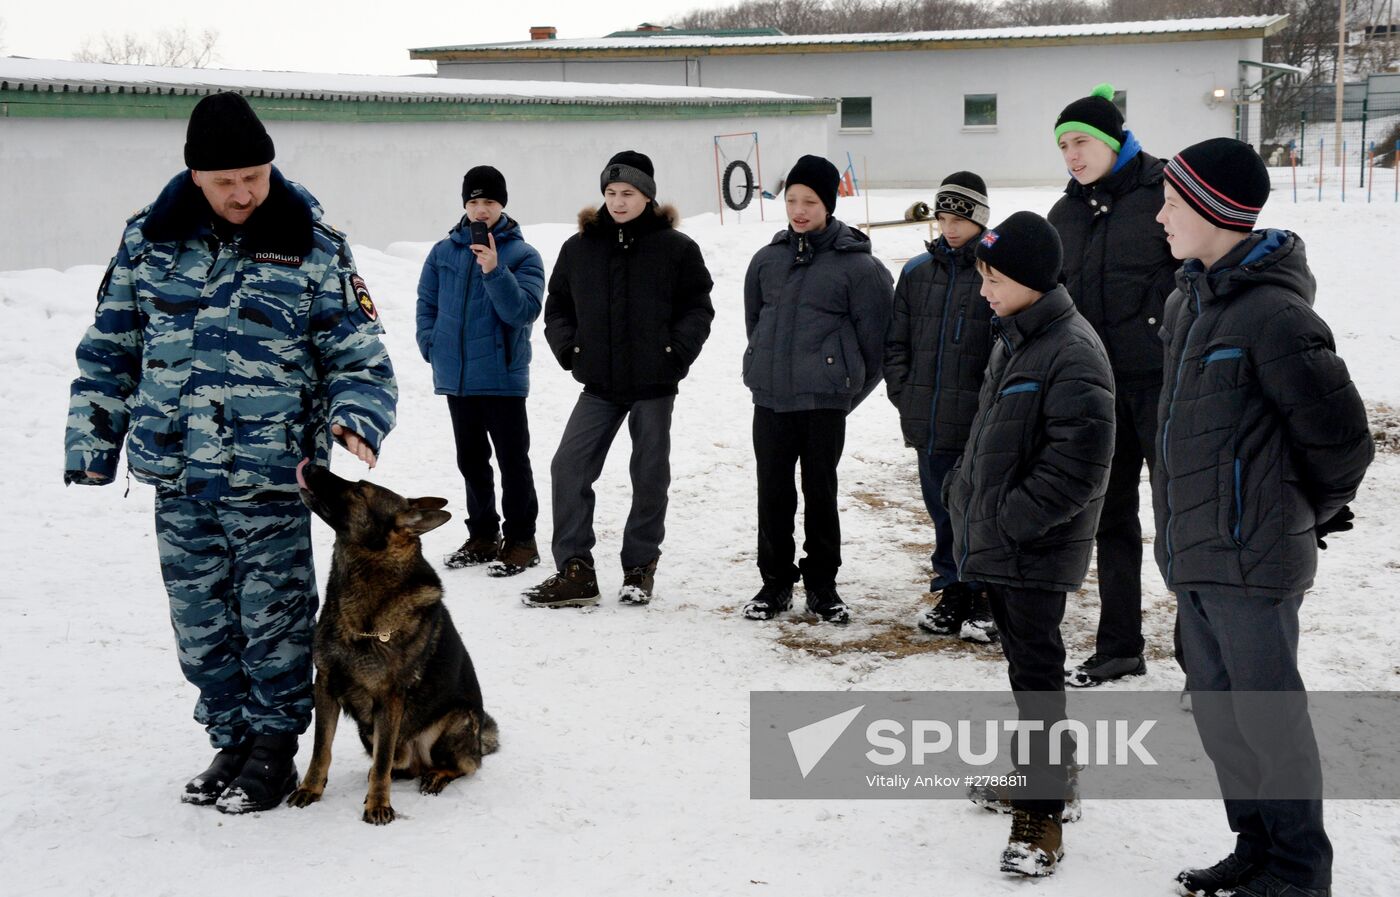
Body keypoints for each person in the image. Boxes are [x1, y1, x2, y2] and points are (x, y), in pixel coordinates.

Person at [63, 92, 397, 814]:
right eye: (226, 182)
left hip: (272, 474)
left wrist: (356, 418)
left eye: (256, 174)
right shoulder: (148, 242)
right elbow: (111, 349)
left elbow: (359, 355)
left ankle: (274, 748)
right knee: (200, 622)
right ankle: (231, 737)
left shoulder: (312, 242)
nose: (245, 192)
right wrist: (94, 440)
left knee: (273, 619)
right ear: (194, 178)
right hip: (179, 472)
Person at [1154, 138, 1372, 897]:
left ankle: (1300, 870)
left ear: (1215, 212)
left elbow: (1343, 442)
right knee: (1223, 719)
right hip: (1196, 557)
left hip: (1255, 562)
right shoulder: (1188, 302)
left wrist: (1301, 510)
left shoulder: (1277, 315)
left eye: (1173, 204)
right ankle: (1256, 846)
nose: (1161, 216)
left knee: (1270, 721)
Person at [943, 211, 1115, 876]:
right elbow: (990, 435)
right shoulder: (1015, 338)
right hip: (1005, 541)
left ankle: (1042, 811)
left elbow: (1077, 465)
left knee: (1038, 678)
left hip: (1036, 546)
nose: (983, 288)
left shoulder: (1073, 351)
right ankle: (1050, 775)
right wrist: (966, 499)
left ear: (1032, 281)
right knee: (1027, 672)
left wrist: (1010, 521)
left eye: (994, 277)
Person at [524, 150, 714, 608]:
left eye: (628, 193)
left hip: (654, 383)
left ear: (647, 196)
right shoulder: (579, 248)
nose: (618, 201)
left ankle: (639, 567)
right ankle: (575, 570)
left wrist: (675, 353)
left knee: (649, 474)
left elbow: (698, 307)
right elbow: (559, 308)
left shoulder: (677, 248)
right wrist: (569, 349)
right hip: (600, 385)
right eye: (610, 192)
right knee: (568, 466)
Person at [1048, 83, 1181, 688]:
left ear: (1112, 141)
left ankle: (1200, 656)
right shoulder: (1065, 213)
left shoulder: (1165, 194)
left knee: (1181, 517)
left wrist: (1161, 327)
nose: (1072, 156)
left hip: (1165, 384)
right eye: (1063, 146)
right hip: (1099, 387)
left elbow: (1196, 275)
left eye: (1081, 143)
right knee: (1111, 517)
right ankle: (1120, 644)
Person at [740, 154, 893, 625]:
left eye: (810, 201)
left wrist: (842, 393)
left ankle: (823, 586)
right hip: (771, 399)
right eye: (791, 200)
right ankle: (775, 583)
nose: (799, 210)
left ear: (828, 203)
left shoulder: (859, 268)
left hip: (824, 403)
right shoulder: (767, 260)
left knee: (820, 492)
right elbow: (755, 323)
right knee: (773, 492)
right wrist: (764, 367)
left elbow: (877, 347)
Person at [883, 171, 996, 642]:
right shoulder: (915, 273)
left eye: (960, 219)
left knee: (983, 509)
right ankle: (952, 587)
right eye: (944, 217)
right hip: (928, 419)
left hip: (981, 421)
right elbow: (896, 343)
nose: (949, 228)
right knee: (942, 507)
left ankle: (987, 593)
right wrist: (905, 393)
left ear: (980, 220)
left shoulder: (995, 270)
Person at [417, 165, 545, 577]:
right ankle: (484, 535)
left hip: (503, 377)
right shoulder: (442, 252)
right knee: (471, 461)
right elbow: (426, 303)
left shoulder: (523, 255)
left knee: (512, 461)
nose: (480, 209)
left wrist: (494, 269)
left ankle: (522, 539)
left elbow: (522, 312)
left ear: (502, 204)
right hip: (457, 377)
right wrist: (430, 344)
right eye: (473, 202)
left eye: (488, 201)